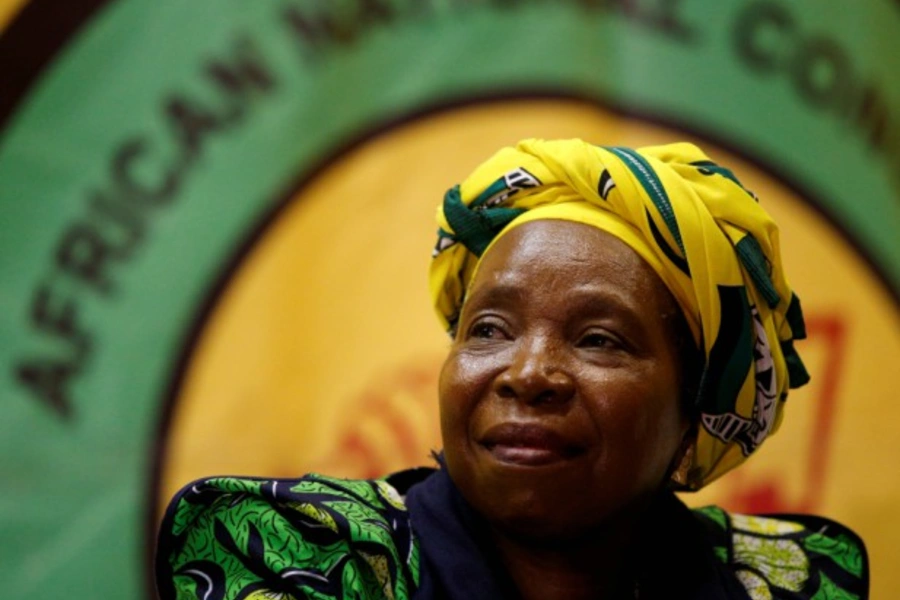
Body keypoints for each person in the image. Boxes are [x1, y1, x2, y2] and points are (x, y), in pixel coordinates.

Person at [155, 139, 868, 599]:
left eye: (600, 340)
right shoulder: (306, 559)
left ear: (695, 412)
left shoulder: (783, 584)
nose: (528, 373)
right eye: (489, 329)